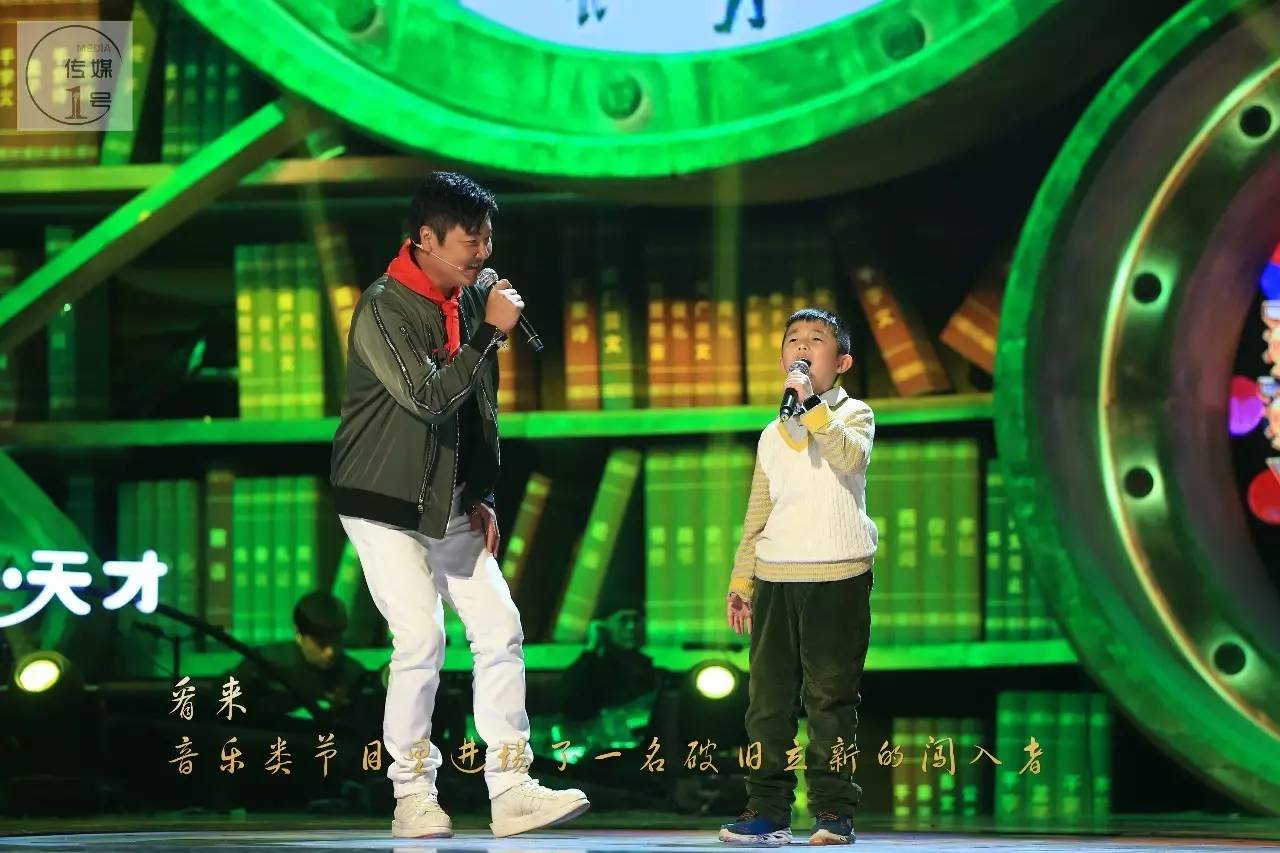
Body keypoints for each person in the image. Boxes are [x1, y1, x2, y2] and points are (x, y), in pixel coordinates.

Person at [330, 172, 589, 839]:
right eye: (470, 241)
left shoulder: (472, 298)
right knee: (422, 637)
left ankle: (512, 788)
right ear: (426, 238)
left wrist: (481, 491)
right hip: (384, 501)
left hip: (447, 498)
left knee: (500, 626)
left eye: (487, 239)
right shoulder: (383, 307)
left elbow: (478, 408)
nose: (482, 254)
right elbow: (427, 398)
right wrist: (488, 336)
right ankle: (412, 794)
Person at [719, 308, 876, 846]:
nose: (802, 347)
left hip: (838, 575)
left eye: (817, 339)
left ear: (842, 362)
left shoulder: (855, 415)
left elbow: (848, 459)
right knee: (767, 702)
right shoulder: (771, 434)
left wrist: (811, 406)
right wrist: (742, 581)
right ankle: (767, 809)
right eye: (793, 340)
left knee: (830, 700)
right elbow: (758, 512)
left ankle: (833, 811)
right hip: (776, 577)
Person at [227, 591, 369, 722]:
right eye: (321, 644)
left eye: (336, 641)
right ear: (299, 635)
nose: (330, 652)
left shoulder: (353, 674)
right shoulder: (263, 665)